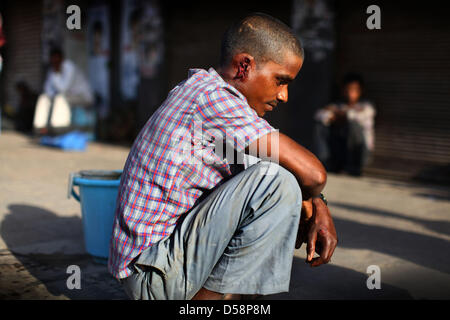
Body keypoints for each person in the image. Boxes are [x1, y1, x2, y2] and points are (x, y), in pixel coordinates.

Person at [109, 13, 338, 300]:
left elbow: (287, 172)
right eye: (280, 81)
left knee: (279, 182)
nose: (284, 96)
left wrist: (316, 204)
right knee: (277, 185)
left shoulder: (202, 93)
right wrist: (313, 198)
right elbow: (314, 174)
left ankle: (227, 296)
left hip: (154, 268)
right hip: (153, 277)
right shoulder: (215, 100)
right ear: (244, 66)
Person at [314, 73, 376, 176]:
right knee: (321, 126)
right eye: (347, 89)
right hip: (339, 151)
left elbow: (355, 116)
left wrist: (341, 115)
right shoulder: (337, 105)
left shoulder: (366, 107)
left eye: (354, 90)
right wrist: (334, 116)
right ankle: (325, 162)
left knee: (353, 125)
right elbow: (319, 115)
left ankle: (353, 168)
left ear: (360, 91)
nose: (350, 93)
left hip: (360, 154)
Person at [33, 47, 94, 135]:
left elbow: (63, 89)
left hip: (83, 97)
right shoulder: (52, 70)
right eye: (53, 60)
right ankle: (40, 128)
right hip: (68, 96)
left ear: (62, 58)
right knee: (43, 98)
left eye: (57, 59)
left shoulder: (69, 67)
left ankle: (58, 129)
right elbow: (47, 90)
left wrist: (56, 74)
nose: (55, 61)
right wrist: (50, 96)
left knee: (60, 99)